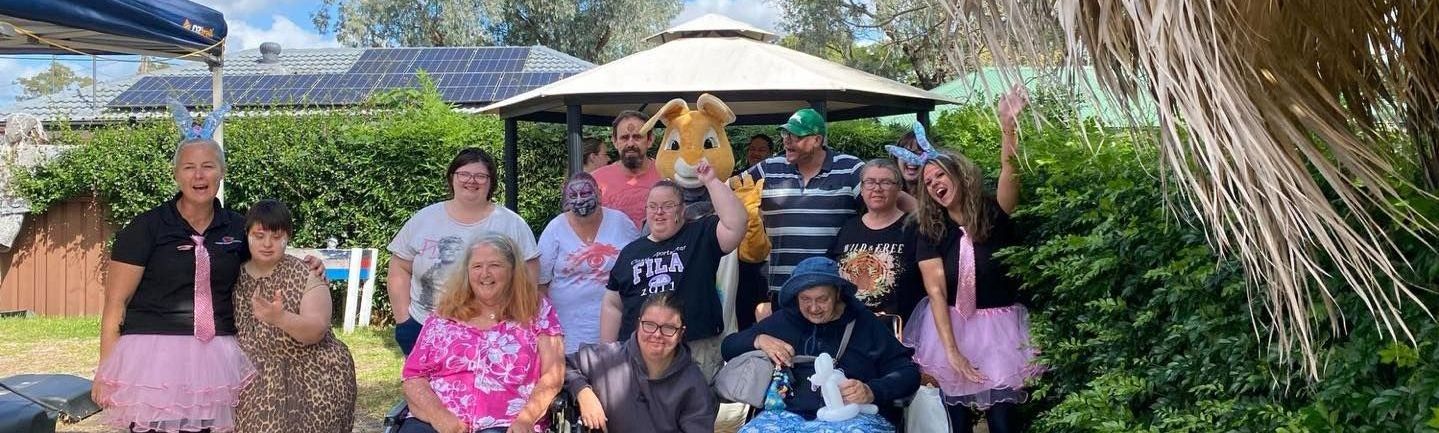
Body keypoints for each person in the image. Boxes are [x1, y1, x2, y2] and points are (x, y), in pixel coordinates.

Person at [92, 138, 317, 433]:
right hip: (153, 354)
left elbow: (269, 255)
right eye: (189, 167)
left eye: (208, 166)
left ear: (221, 172)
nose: (199, 175)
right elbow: (115, 304)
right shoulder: (145, 228)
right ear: (175, 174)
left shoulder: (239, 227)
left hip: (216, 353)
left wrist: (309, 264)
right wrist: (106, 371)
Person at [903, 88, 1039, 433]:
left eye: (940, 176)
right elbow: (935, 291)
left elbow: (1011, 174)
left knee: (1004, 422)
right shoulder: (929, 230)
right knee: (957, 424)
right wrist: (951, 352)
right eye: (927, 181)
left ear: (959, 175)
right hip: (950, 328)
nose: (933, 184)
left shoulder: (994, 212)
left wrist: (1007, 126)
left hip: (1000, 331)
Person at [745, 108, 915, 321]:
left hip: (831, 292)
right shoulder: (769, 168)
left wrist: (928, 219)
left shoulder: (849, 168)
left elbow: (886, 194)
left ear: (816, 140)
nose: (787, 141)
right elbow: (733, 190)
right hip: (784, 289)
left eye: (795, 135)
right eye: (785, 134)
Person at [722, 257, 920, 431]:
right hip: (786, 415)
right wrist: (758, 339)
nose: (813, 308)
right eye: (805, 299)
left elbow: (907, 373)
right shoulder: (785, 320)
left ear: (837, 294)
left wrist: (872, 390)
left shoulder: (865, 323)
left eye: (822, 299)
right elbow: (728, 347)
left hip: (852, 416)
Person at [400, 233, 565, 433]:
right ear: (467, 273)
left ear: (513, 270)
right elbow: (413, 377)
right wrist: (440, 418)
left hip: (506, 423)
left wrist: (526, 419)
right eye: (477, 266)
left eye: (495, 265)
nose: (485, 274)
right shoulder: (444, 315)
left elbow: (554, 374)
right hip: (438, 421)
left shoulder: (537, 310)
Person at [601, 161, 747, 381]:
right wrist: (608, 353)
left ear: (681, 209)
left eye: (668, 206)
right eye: (653, 206)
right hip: (641, 350)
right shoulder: (630, 251)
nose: (659, 212)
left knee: (695, 412)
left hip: (694, 347)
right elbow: (612, 303)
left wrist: (711, 181)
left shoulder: (700, 234)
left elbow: (737, 224)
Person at [388, 147, 540, 355]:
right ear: (452, 177)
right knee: (421, 387)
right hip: (424, 328)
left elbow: (529, 277)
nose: (471, 181)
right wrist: (404, 322)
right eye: (464, 174)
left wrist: (519, 322)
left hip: (492, 333)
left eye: (480, 176)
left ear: (491, 182)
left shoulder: (511, 223)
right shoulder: (424, 219)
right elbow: (399, 267)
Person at [233, 199, 357, 433]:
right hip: (252, 378)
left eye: (277, 236)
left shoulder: (306, 273)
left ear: (288, 236)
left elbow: (317, 330)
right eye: (259, 236)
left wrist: (280, 318)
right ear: (247, 235)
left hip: (312, 377)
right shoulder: (232, 273)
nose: (268, 243)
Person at [564, 293, 718, 433]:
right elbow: (561, 365)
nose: (657, 334)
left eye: (668, 328)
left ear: (680, 333)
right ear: (638, 325)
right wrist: (582, 392)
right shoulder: (610, 358)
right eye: (649, 325)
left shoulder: (694, 383)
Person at [538, 173, 642, 353]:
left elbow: (639, 266)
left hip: (617, 327)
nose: (579, 200)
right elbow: (540, 284)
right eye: (573, 196)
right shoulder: (555, 228)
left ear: (599, 194)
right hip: (567, 331)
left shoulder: (621, 222)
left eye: (586, 193)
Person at [828, 159, 923, 321]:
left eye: (886, 182)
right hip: (851, 327)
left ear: (899, 188)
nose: (877, 189)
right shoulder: (849, 228)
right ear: (862, 189)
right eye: (870, 182)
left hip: (899, 329)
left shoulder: (915, 228)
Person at [592, 111, 663, 228]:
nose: (630, 143)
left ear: (650, 140)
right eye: (624, 138)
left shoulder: (667, 175)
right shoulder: (595, 181)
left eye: (637, 137)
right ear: (615, 141)